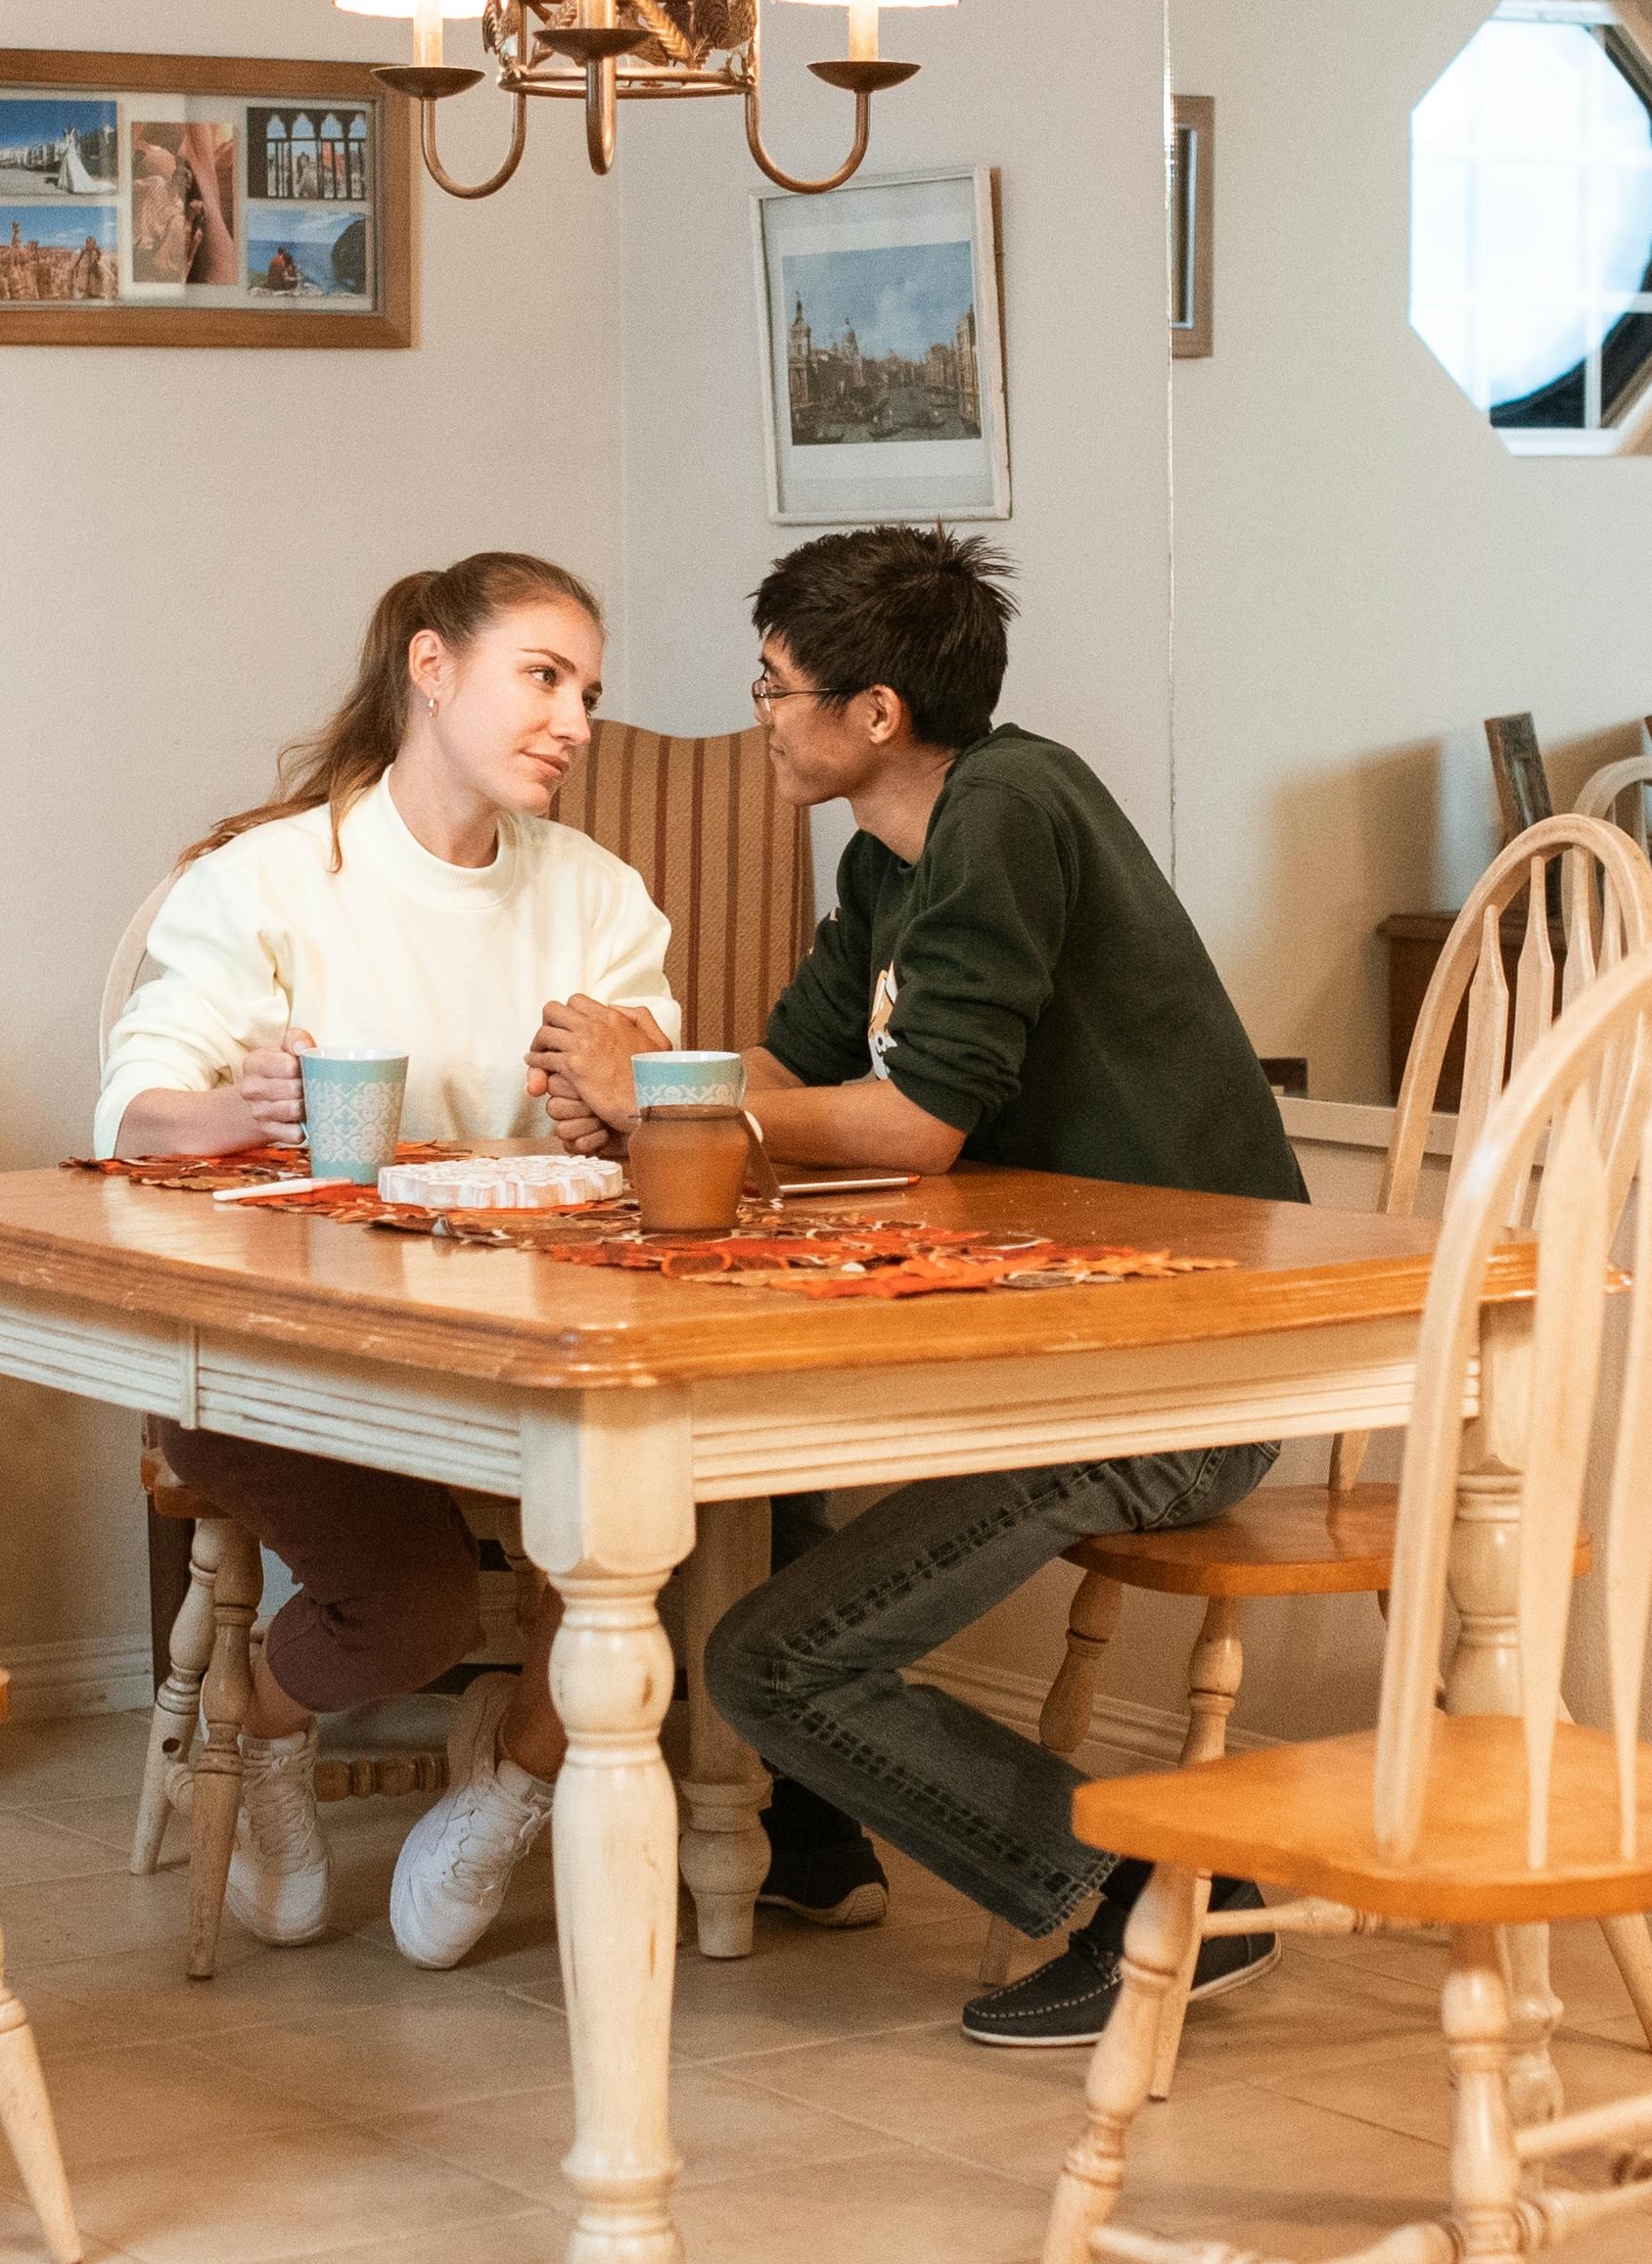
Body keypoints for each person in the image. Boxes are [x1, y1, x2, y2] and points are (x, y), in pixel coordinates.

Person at [533, 526, 1314, 2049]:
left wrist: (670, 1109)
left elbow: (915, 1122)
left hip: (1180, 1367)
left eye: (776, 686)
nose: (757, 711)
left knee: (771, 1653)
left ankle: (1158, 1894)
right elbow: (789, 1065)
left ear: (873, 714)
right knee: (760, 1494)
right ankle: (820, 1844)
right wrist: (642, 1088)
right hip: (1061, 1344)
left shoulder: (1006, 809)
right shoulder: (889, 848)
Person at [108, 551, 686, 1965]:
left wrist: (620, 1095)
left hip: (522, 1347)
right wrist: (232, 1110)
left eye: (590, 694)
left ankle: (511, 1785)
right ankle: (258, 1723)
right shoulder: (268, 878)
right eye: (542, 677)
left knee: (631, 1559)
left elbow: (671, 1104)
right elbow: (131, 1113)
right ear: (431, 667)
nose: (576, 722)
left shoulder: (594, 895)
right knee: (419, 1607)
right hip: (279, 1348)